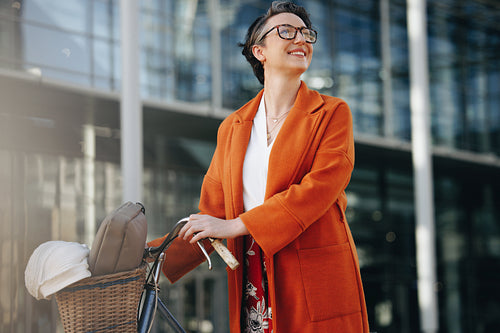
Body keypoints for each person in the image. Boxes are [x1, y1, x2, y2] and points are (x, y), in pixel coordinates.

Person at [148, 1, 369, 332]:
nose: (302, 39)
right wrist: (148, 258)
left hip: (313, 279)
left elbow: (320, 188)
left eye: (307, 33)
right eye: (287, 31)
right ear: (259, 51)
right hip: (254, 275)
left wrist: (239, 225)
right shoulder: (233, 127)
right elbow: (213, 216)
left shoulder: (332, 113)